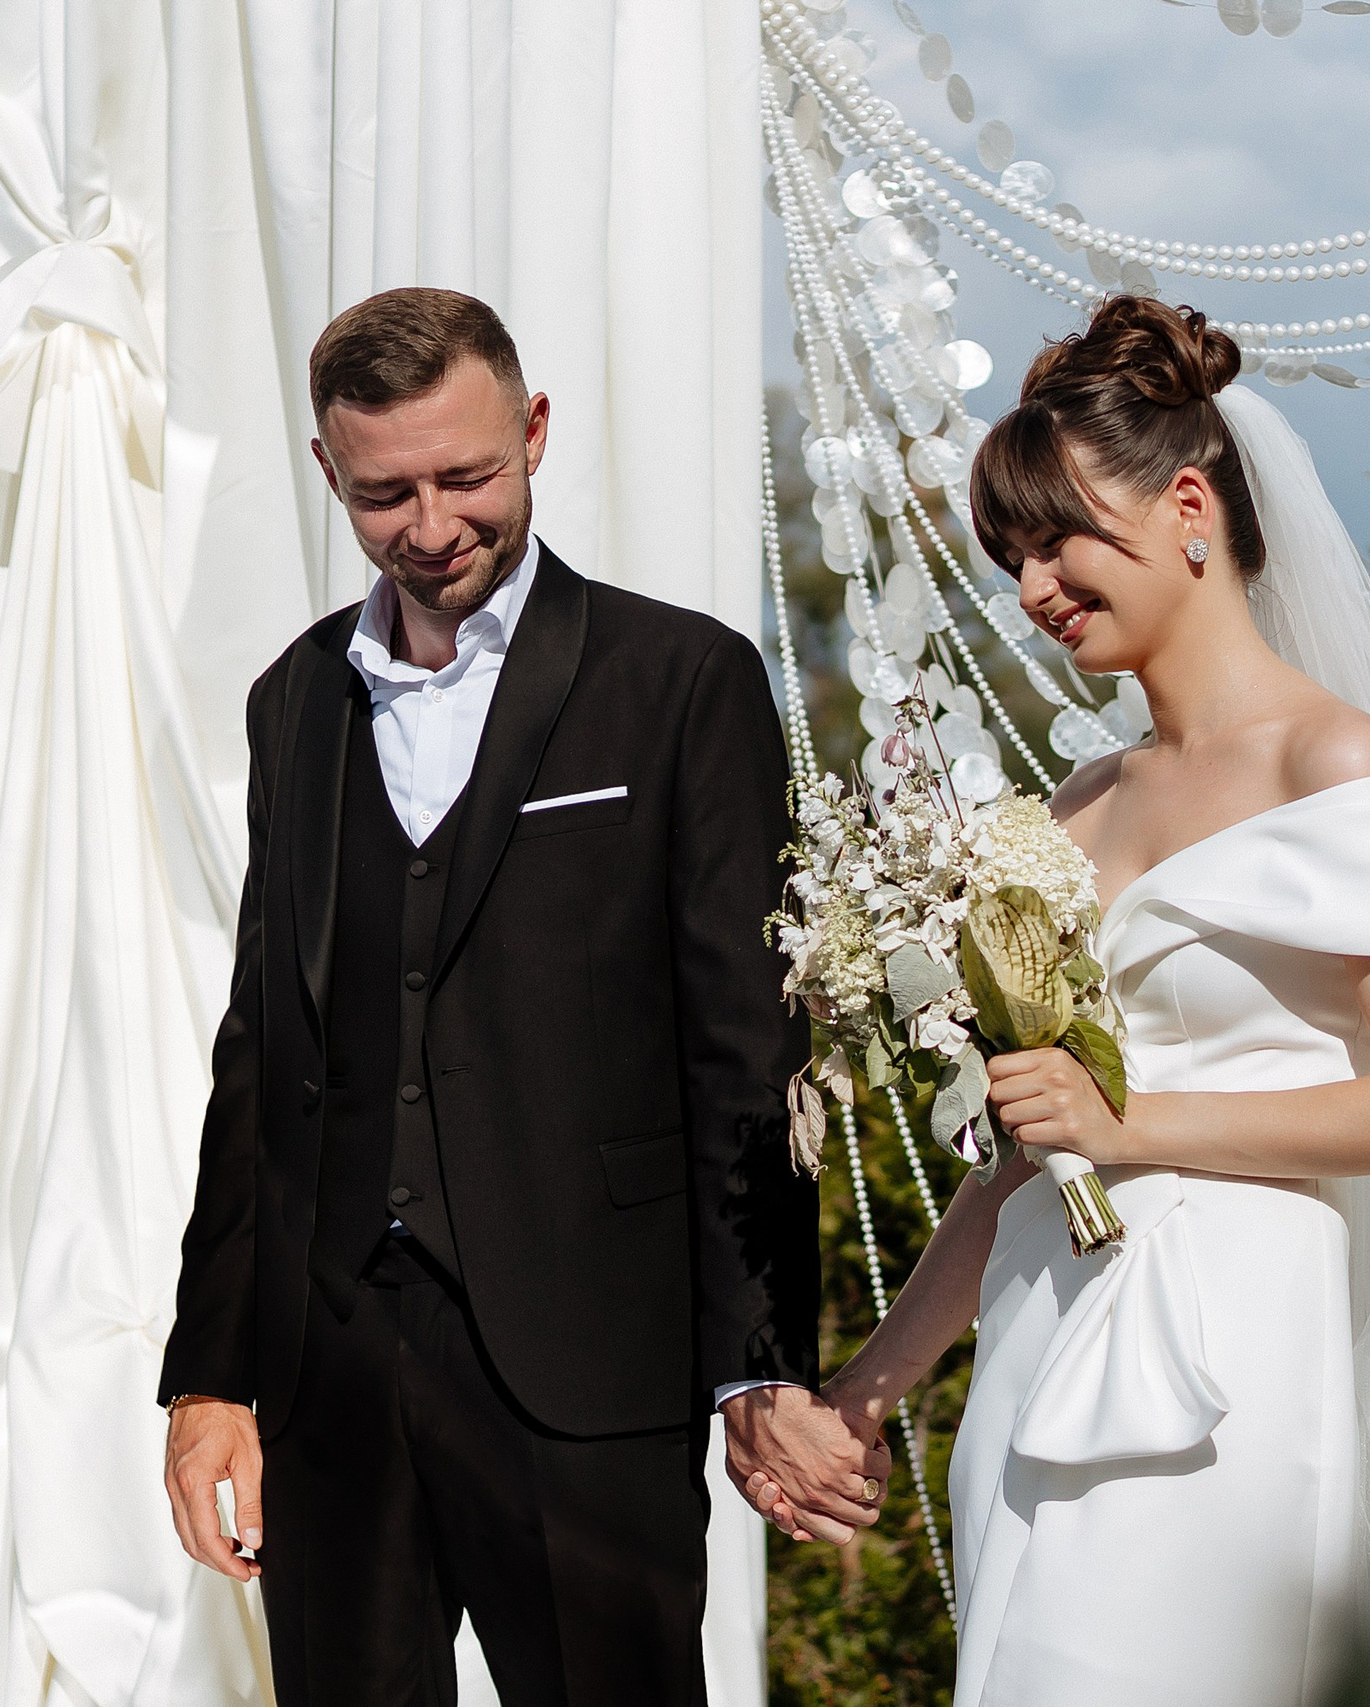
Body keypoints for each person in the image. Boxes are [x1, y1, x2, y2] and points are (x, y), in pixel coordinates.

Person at [743, 297, 1370, 1706]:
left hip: (1223, 1350)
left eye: (1057, 540)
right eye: (1012, 557)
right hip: (1038, 1333)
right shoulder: (1070, 811)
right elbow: (1023, 1150)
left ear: (1189, 507)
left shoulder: (1333, 763)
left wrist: (1130, 1123)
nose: (1033, 587)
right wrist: (867, 1390)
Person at [156, 286, 889, 1707]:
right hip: (332, 1373)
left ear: (535, 431)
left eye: (466, 475)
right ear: (327, 471)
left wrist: (756, 1368)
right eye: (384, 493)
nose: (432, 526)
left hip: (592, 1368)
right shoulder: (293, 701)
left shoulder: (681, 682)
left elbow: (747, 1053)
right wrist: (210, 1379)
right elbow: (262, 1055)